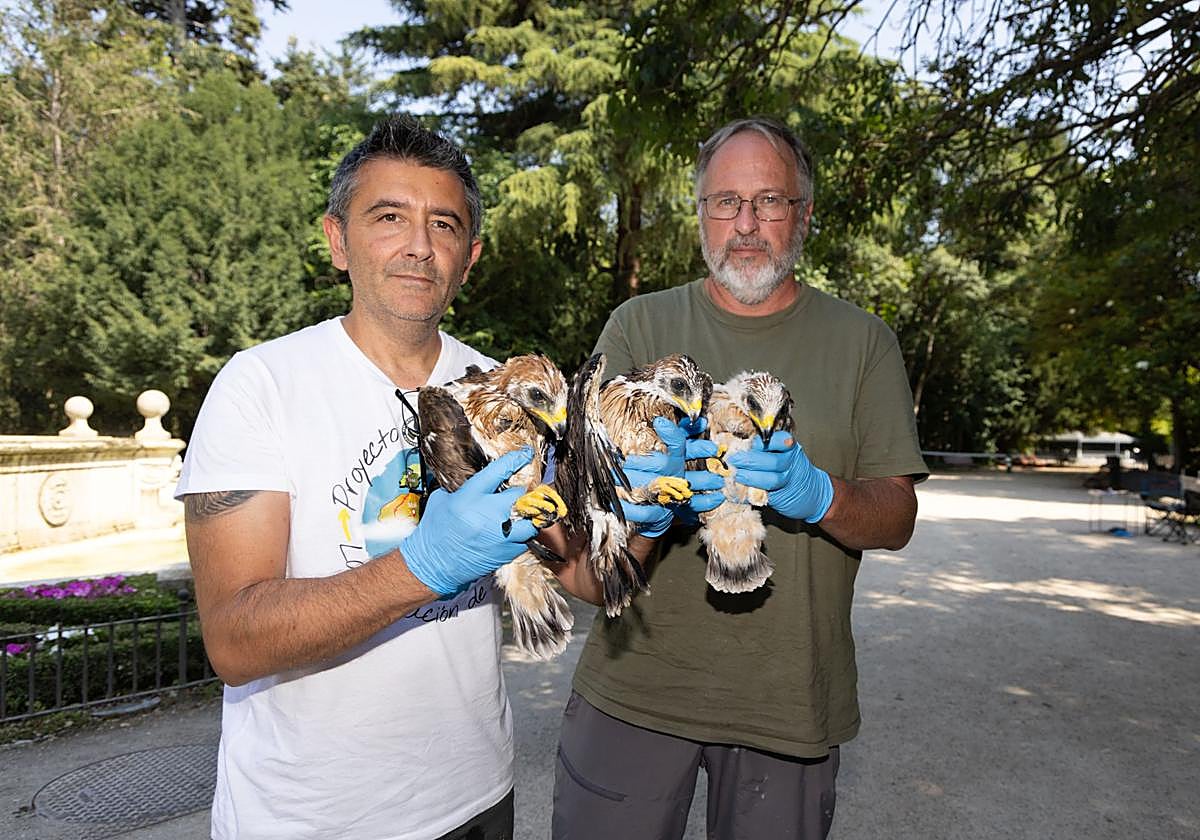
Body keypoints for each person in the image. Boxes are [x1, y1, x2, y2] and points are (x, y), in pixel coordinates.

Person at [176, 115, 586, 840]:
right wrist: (422, 566)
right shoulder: (261, 384)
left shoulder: (503, 389)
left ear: (470, 257)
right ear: (338, 240)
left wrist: (641, 515)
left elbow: (576, 567)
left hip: (479, 795)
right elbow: (235, 642)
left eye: (444, 224)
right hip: (313, 820)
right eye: (389, 217)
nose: (419, 245)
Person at [550, 116, 929, 839]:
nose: (746, 223)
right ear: (700, 214)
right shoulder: (637, 325)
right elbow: (579, 498)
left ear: (803, 215)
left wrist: (819, 494)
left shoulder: (865, 342)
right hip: (634, 690)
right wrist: (639, 502)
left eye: (769, 201)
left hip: (788, 706)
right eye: (726, 201)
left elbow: (897, 517)